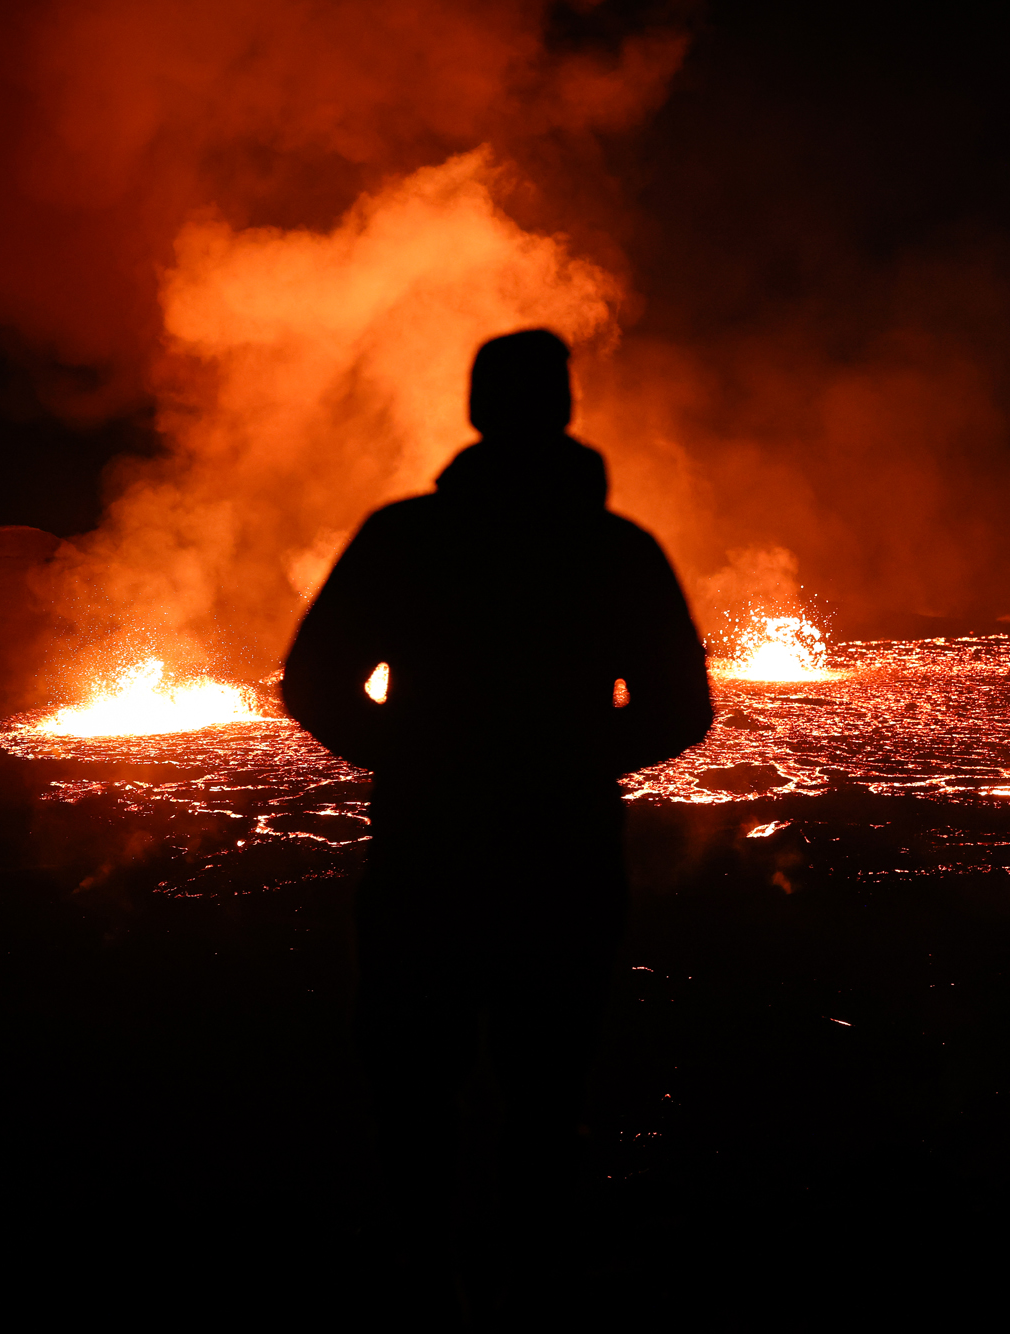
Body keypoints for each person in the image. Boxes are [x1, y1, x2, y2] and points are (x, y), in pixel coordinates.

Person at [281, 329, 713, 1312]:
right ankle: (531, 1288)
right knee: (546, 1094)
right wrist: (575, 756)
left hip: (426, 856)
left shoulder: (406, 537)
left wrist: (413, 754)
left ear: (476, 411)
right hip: (562, 859)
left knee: (412, 1088)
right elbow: (681, 707)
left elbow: (313, 680)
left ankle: (421, 1280)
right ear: (563, 410)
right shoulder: (613, 549)